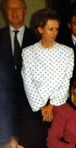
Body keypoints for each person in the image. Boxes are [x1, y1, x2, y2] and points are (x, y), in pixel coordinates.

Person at [21, 9, 74, 148]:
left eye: (57, 29)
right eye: (51, 29)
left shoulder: (67, 52)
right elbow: (27, 81)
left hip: (59, 105)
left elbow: (66, 80)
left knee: (57, 139)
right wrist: (42, 107)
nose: (54, 32)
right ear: (39, 29)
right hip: (36, 106)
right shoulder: (28, 52)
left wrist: (52, 105)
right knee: (33, 135)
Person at [0, 0, 38, 140]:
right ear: (4, 11)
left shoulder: (37, 37)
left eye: (18, 8)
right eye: (10, 9)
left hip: (30, 107)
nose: (15, 12)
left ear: (25, 10)